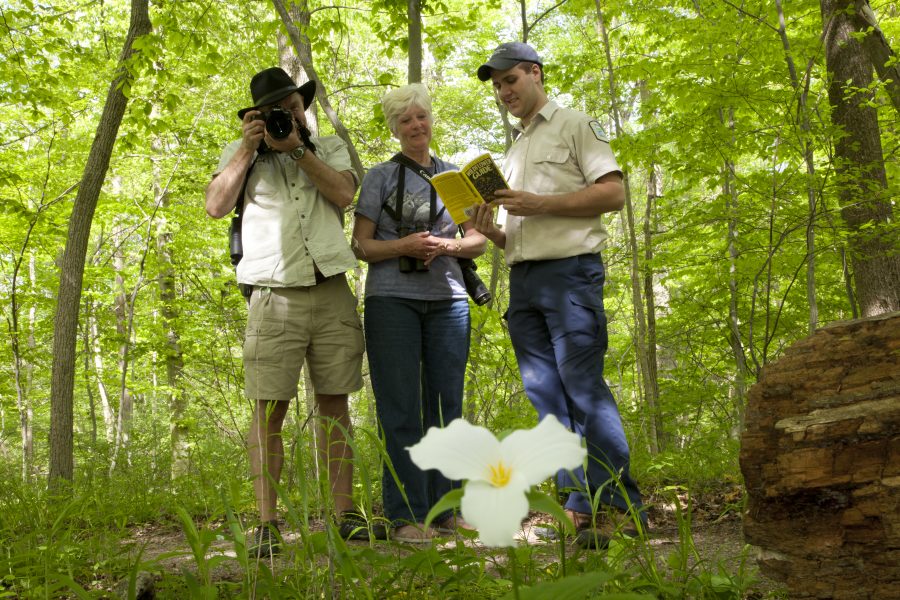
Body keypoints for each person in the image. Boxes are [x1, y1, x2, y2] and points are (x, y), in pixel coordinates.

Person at [472, 42, 646, 548]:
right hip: (524, 280)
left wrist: (539, 203)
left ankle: (617, 503)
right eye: (497, 86)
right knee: (546, 397)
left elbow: (613, 193)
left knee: (583, 388)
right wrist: (487, 227)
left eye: (510, 80)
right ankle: (575, 504)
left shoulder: (574, 124)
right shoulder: (514, 147)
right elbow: (519, 232)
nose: (504, 91)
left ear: (535, 73)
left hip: (571, 275)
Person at [205, 67, 374, 556]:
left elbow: (344, 194)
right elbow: (216, 206)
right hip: (272, 291)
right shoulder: (243, 156)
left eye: (294, 107)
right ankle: (267, 525)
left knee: (335, 405)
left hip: (330, 288)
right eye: (276, 111)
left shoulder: (329, 149)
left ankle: (344, 516)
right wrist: (247, 149)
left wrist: (296, 149)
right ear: (257, 116)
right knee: (267, 408)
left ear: (304, 108)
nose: (288, 115)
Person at [352, 83, 487, 543]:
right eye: (405, 120)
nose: (415, 125)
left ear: (431, 121)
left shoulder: (453, 176)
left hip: (449, 300)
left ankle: (448, 510)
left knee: (448, 405)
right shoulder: (380, 177)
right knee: (400, 407)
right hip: (391, 301)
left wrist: (446, 245)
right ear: (395, 128)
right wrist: (405, 246)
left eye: (420, 117)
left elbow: (478, 241)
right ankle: (406, 516)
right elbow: (362, 245)